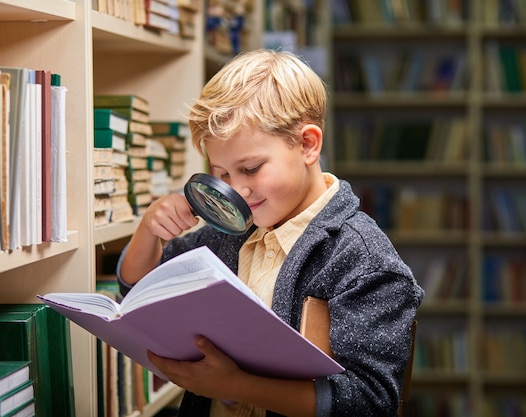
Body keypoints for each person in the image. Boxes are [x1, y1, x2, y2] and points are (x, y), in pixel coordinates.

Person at [117, 48, 424, 417]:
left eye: (251, 168)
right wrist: (149, 231)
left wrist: (232, 385)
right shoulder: (230, 232)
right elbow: (139, 291)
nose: (237, 190)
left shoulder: (362, 258)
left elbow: (369, 402)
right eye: (222, 173)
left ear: (308, 144)